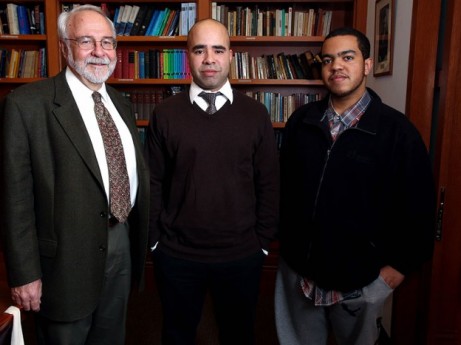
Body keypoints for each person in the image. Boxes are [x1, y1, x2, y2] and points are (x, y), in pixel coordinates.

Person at [275, 27, 436, 345]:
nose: (337, 66)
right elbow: (284, 189)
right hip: (299, 276)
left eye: (348, 57)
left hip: (360, 284)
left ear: (367, 65)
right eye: (328, 59)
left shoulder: (398, 133)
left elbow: (419, 210)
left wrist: (393, 273)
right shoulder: (301, 122)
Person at [1, 5, 149, 345]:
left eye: (107, 42)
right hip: (63, 262)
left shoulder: (121, 103)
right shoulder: (26, 105)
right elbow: (15, 199)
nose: (100, 52)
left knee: (111, 337)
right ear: (65, 47)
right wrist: (25, 274)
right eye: (86, 41)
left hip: (120, 243)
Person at [145, 18, 279, 345]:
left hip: (241, 254)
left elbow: (270, 183)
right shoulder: (164, 113)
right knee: (177, 335)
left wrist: (261, 242)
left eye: (218, 49)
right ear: (187, 56)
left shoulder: (255, 114)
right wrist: (155, 242)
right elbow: (152, 182)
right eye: (199, 50)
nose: (209, 59)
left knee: (238, 334)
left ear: (231, 55)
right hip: (177, 254)